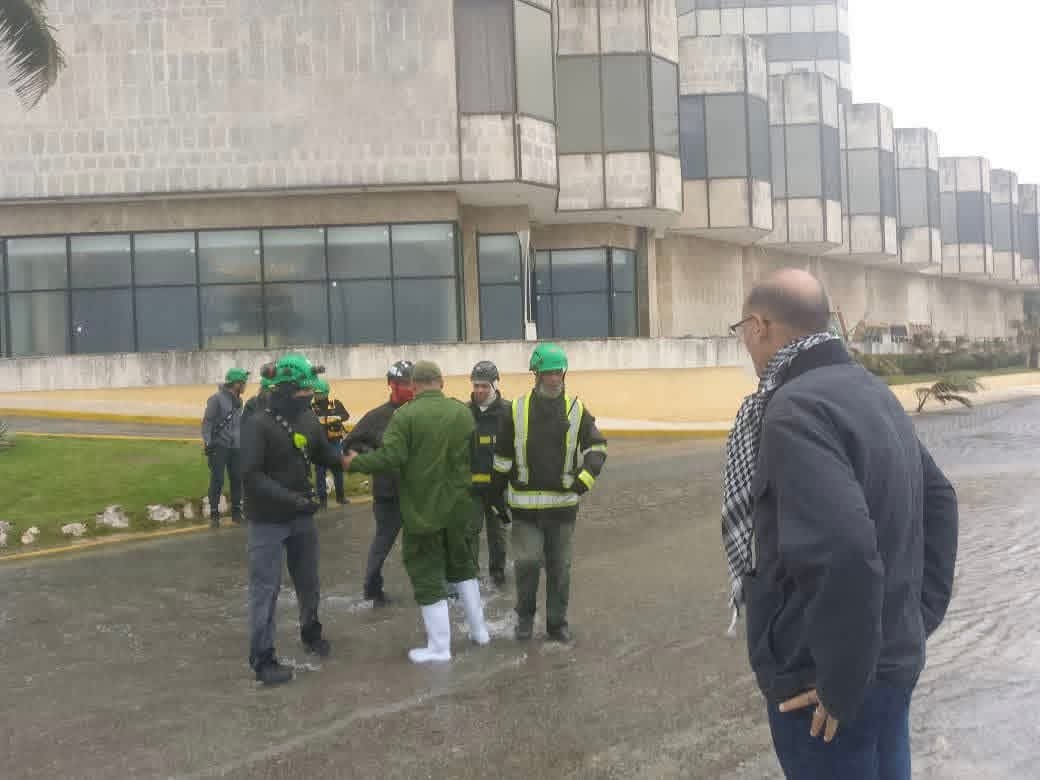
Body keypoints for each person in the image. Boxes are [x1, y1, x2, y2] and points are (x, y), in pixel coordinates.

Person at [723, 268, 958, 779]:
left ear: (759, 326)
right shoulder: (869, 390)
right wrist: (916, 620)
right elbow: (940, 501)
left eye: (741, 329)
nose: (744, 343)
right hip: (889, 662)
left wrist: (842, 682)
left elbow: (845, 551)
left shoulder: (793, 408)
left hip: (824, 685)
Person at [345, 360, 490, 664]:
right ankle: (480, 633)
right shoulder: (462, 412)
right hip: (458, 509)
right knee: (463, 568)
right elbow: (475, 455)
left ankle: (439, 648)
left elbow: (391, 457)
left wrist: (355, 463)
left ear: (413, 385)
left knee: (426, 573)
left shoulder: (405, 416)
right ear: (441, 381)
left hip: (423, 511)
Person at [240, 353, 351, 685]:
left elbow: (320, 453)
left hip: (301, 518)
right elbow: (251, 475)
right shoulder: (257, 424)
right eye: (304, 392)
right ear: (286, 390)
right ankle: (262, 659)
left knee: (308, 582)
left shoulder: (307, 419)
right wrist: (293, 500)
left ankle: (311, 632)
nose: (310, 397)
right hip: (268, 522)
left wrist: (346, 461)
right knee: (266, 589)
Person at [491, 343, 607, 643]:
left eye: (558, 372)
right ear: (536, 375)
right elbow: (502, 456)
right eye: (548, 373)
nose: (554, 378)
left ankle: (556, 624)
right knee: (527, 563)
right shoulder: (516, 410)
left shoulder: (576, 409)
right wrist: (494, 495)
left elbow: (597, 447)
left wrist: (583, 479)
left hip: (562, 508)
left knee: (560, 569)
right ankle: (525, 618)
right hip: (525, 509)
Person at [342, 360, 414, 606]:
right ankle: (372, 588)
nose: (409, 388)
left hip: (418, 491)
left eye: (411, 383)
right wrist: (372, 452)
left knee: (428, 542)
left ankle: (436, 587)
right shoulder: (376, 417)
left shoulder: (420, 412)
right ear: (392, 385)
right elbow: (350, 444)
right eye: (404, 383)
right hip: (388, 492)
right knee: (383, 541)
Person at [467, 360, 511, 587]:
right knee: (470, 532)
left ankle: (498, 571)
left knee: (498, 532)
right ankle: (471, 575)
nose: (479, 391)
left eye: (484, 386)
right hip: (471, 489)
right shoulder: (465, 413)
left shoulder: (508, 412)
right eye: (476, 386)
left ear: (495, 385)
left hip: (498, 488)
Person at [201, 367, 248, 529]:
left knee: (237, 479)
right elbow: (207, 422)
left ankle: (236, 512)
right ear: (235, 384)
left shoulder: (239, 401)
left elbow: (238, 425)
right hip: (219, 446)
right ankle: (214, 514)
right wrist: (207, 441)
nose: (245, 385)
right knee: (217, 480)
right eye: (243, 382)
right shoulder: (216, 399)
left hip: (236, 447)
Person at [311, 379, 350, 509]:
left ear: (326, 393)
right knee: (320, 472)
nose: (318, 397)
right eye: (316, 394)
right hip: (319, 444)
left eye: (320, 394)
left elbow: (346, 415)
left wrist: (337, 418)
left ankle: (341, 497)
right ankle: (322, 501)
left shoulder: (335, 404)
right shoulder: (311, 408)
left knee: (337, 470)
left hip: (334, 443)